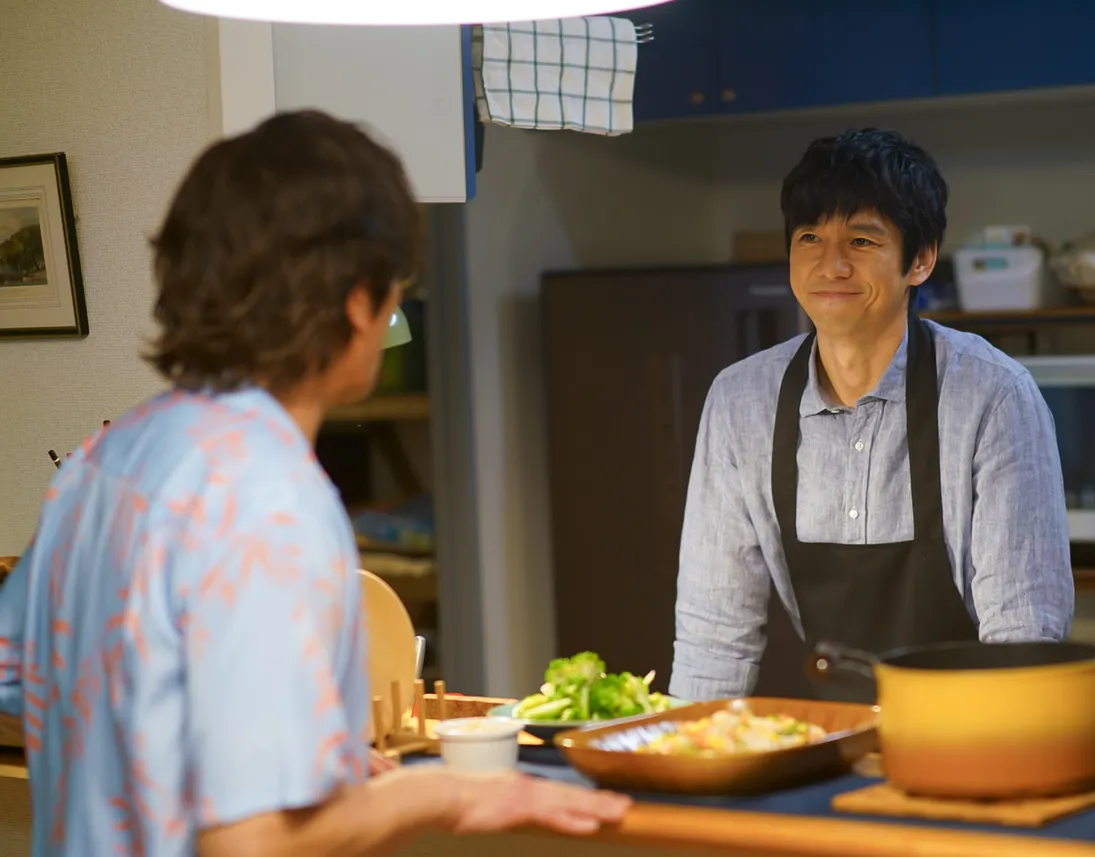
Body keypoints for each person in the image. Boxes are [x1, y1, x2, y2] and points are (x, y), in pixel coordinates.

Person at [0, 109, 628, 857]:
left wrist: (299, 757)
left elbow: (29, 687)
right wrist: (444, 790)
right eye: (396, 294)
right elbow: (255, 842)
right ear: (358, 302)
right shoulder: (271, 496)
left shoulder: (105, 458)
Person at [669, 128, 1075, 703]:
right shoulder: (741, 401)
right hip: (838, 742)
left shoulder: (995, 395)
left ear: (921, 260)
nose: (830, 265)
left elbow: (1024, 635)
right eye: (810, 237)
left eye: (861, 241)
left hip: (975, 735)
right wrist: (691, 766)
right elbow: (715, 632)